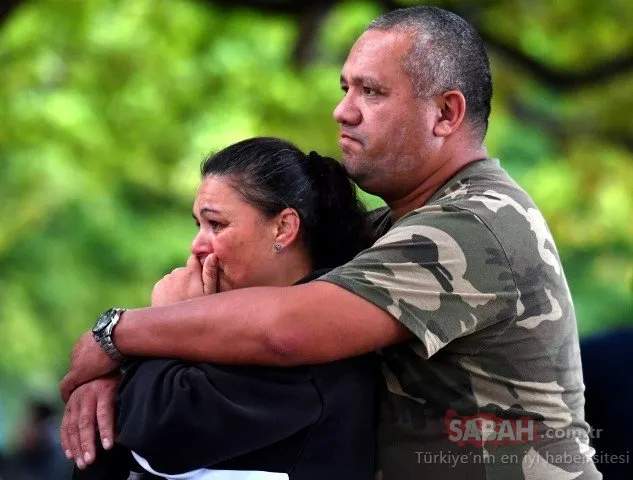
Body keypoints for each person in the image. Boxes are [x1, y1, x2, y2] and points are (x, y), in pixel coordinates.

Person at [60, 6, 602, 480]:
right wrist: (117, 370)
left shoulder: (473, 225)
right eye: (346, 88)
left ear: (446, 113)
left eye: (372, 91)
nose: (344, 110)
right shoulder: (393, 226)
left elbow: (286, 330)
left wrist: (117, 334)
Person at [68, 137, 378, 479]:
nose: (197, 245)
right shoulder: (233, 335)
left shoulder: (313, 348)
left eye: (216, 224)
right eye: (198, 225)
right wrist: (107, 379)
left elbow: (163, 428)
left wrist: (161, 322)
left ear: (284, 228)